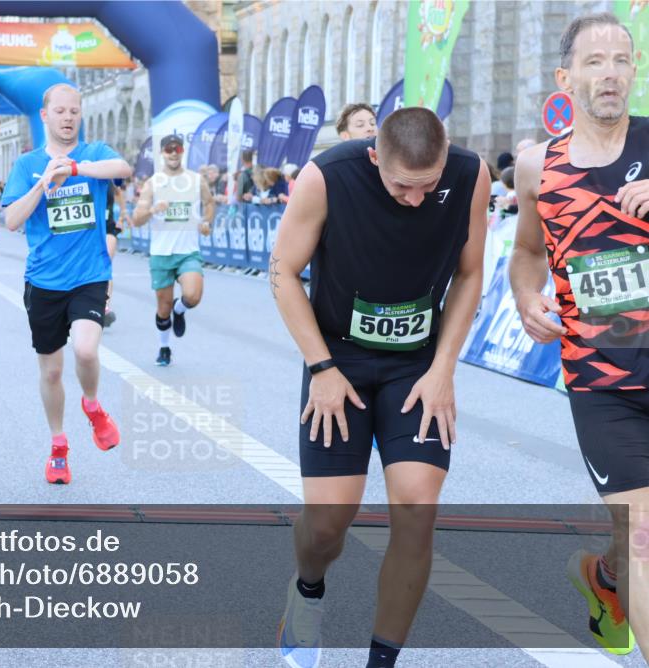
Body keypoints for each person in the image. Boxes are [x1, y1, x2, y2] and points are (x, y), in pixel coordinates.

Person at [270, 106, 489, 668]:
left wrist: (444, 369)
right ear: (374, 156)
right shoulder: (327, 176)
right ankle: (308, 590)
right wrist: (320, 369)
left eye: (427, 186)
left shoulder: (470, 175)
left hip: (416, 363)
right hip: (337, 357)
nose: (415, 199)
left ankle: (381, 661)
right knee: (326, 526)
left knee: (416, 507)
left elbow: (469, 273)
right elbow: (282, 271)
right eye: (400, 186)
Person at [510, 12, 648, 657]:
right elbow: (529, 254)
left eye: (621, 59)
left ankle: (605, 577)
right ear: (567, 78)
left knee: (632, 547)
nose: (611, 73)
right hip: (603, 381)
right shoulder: (539, 166)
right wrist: (524, 297)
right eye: (595, 62)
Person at [2, 83, 131, 484]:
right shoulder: (27, 165)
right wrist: (44, 185)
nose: (68, 117)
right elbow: (11, 220)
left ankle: (92, 406)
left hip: (90, 273)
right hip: (43, 280)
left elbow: (123, 169)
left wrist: (74, 169)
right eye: (60, 111)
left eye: (74, 111)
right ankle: (59, 446)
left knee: (87, 349)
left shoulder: (94, 154)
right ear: (45, 116)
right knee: (53, 373)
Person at [131, 133, 214, 367]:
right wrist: (153, 210)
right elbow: (137, 219)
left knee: (193, 296)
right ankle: (164, 347)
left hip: (188, 251)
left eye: (177, 149)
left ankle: (182, 309)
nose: (173, 153)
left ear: (182, 152)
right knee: (163, 307)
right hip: (161, 253)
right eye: (169, 150)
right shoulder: (153, 183)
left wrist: (207, 222)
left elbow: (209, 203)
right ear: (162, 153)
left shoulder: (196, 180)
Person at [103, 181, 126, 326]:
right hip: (89, 229)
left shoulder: (110, 182)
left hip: (108, 228)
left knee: (105, 265)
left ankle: (104, 306)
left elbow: (120, 197)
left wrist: (122, 219)